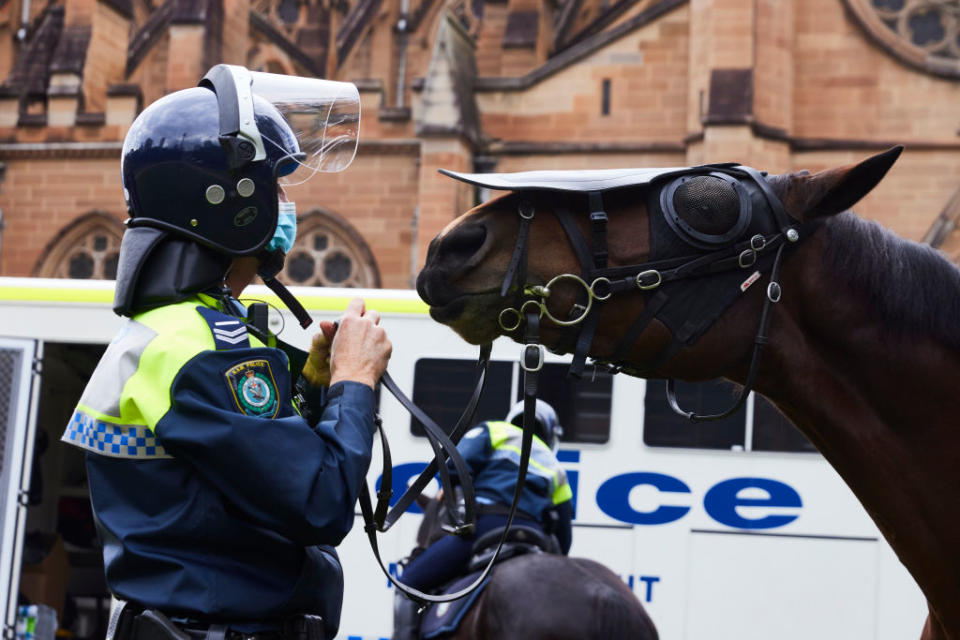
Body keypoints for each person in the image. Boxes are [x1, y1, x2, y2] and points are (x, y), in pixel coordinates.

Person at [60, 65, 391, 640]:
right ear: (228, 201)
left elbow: (233, 478)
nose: (284, 203)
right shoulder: (202, 349)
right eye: (275, 187)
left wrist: (314, 382)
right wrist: (355, 382)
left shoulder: (172, 332)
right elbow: (320, 500)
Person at [392, 399, 573, 640]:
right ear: (550, 434)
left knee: (409, 584)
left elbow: (455, 468)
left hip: (487, 526)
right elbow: (564, 536)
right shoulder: (557, 468)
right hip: (533, 537)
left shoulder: (494, 431)